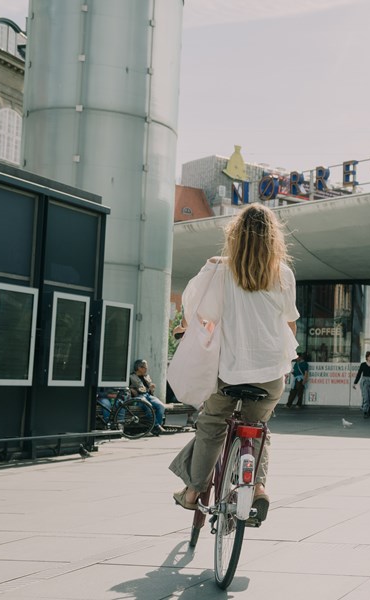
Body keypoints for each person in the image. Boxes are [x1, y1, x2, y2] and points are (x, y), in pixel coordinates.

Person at [168, 203, 299, 524]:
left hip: (227, 372)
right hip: (270, 375)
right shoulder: (283, 273)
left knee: (211, 426)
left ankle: (193, 491)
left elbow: (199, 314)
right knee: (257, 431)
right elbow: (290, 326)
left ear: (234, 237)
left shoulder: (219, 271)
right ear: (274, 240)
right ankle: (258, 488)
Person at [129, 359, 167, 435]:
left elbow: (149, 391)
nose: (147, 369)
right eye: (145, 368)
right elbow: (126, 388)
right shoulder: (131, 377)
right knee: (148, 405)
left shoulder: (147, 376)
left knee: (161, 406)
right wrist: (131, 389)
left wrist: (152, 389)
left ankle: (156, 427)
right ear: (139, 368)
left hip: (148, 395)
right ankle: (156, 426)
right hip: (138, 397)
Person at [352, 351, 370, 418]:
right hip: (364, 381)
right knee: (366, 397)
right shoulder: (363, 365)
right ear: (367, 357)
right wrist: (355, 383)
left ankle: (369, 407)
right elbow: (359, 374)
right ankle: (365, 411)